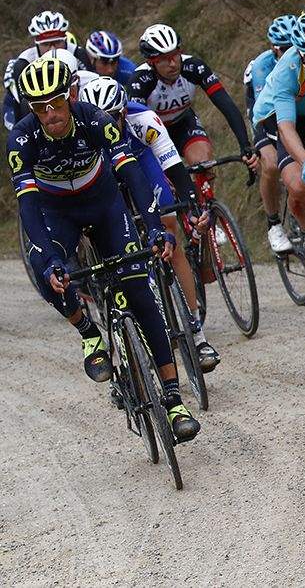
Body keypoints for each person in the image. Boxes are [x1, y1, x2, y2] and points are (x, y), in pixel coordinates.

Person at [7, 57, 200, 441]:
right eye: (39, 107)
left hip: (105, 206)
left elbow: (131, 173)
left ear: (72, 96)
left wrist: (153, 228)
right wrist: (51, 262)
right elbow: (27, 207)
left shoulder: (95, 119)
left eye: (57, 103)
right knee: (45, 267)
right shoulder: (22, 140)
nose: (50, 115)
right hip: (56, 213)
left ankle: (175, 400)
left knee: (140, 294)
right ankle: (89, 332)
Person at [79, 76, 219, 369]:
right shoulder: (82, 133)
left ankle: (197, 333)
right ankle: (123, 354)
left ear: (123, 113)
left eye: (114, 118)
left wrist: (191, 206)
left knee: (170, 231)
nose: (108, 126)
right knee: (114, 251)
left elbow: (173, 166)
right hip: (105, 177)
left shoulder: (143, 119)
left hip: (140, 162)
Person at [251, 12, 305, 272]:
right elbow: (286, 127)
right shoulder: (287, 70)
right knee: (298, 185)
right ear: (299, 53)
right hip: (283, 119)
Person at [128, 23, 256, 174]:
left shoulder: (194, 67)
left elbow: (226, 105)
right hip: (152, 132)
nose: (173, 63)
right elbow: (135, 127)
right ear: (151, 62)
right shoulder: (140, 81)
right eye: (164, 59)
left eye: (175, 54)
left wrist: (245, 145)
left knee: (203, 164)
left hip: (183, 122)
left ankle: (205, 197)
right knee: (166, 180)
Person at [243, 14, 297, 253]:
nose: (289, 52)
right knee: (272, 164)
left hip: (292, 113)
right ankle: (273, 223)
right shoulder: (261, 67)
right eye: (284, 48)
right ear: (274, 48)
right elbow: (265, 111)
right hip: (263, 117)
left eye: (293, 47)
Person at [4, 10, 90, 131]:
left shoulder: (79, 53)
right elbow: (22, 103)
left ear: (65, 38)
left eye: (57, 42)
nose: (52, 48)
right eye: (46, 44)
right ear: (36, 43)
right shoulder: (23, 62)